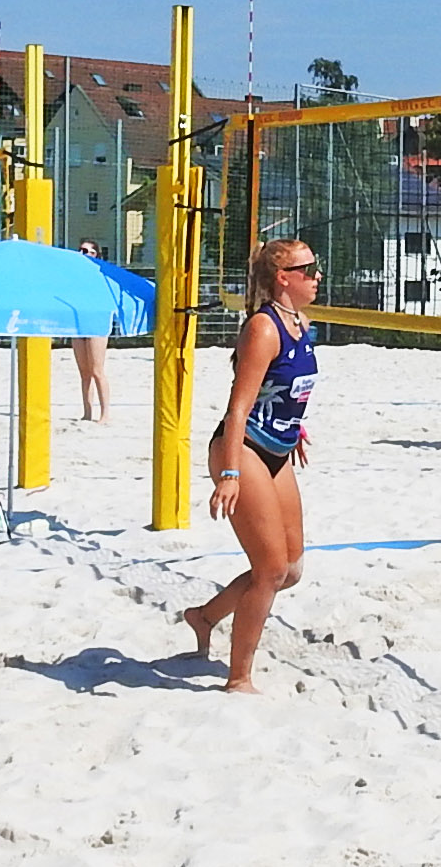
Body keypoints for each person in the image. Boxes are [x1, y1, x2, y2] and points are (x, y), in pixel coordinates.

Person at [183, 239, 321, 693]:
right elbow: (238, 408)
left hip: (277, 448)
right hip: (241, 448)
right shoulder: (263, 328)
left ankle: (204, 617)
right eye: (308, 269)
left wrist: (295, 426)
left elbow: (283, 388)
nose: (317, 276)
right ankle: (238, 678)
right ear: (283, 278)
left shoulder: (301, 323)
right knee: (270, 570)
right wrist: (229, 475)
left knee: (290, 571)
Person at [72, 239, 112, 423]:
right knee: (84, 372)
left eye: (87, 251)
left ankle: (105, 414)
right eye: (80, 250)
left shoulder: (101, 273)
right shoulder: (75, 274)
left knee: (97, 370)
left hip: (97, 322)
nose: (82, 253)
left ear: (96, 254)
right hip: (79, 323)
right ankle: (87, 413)